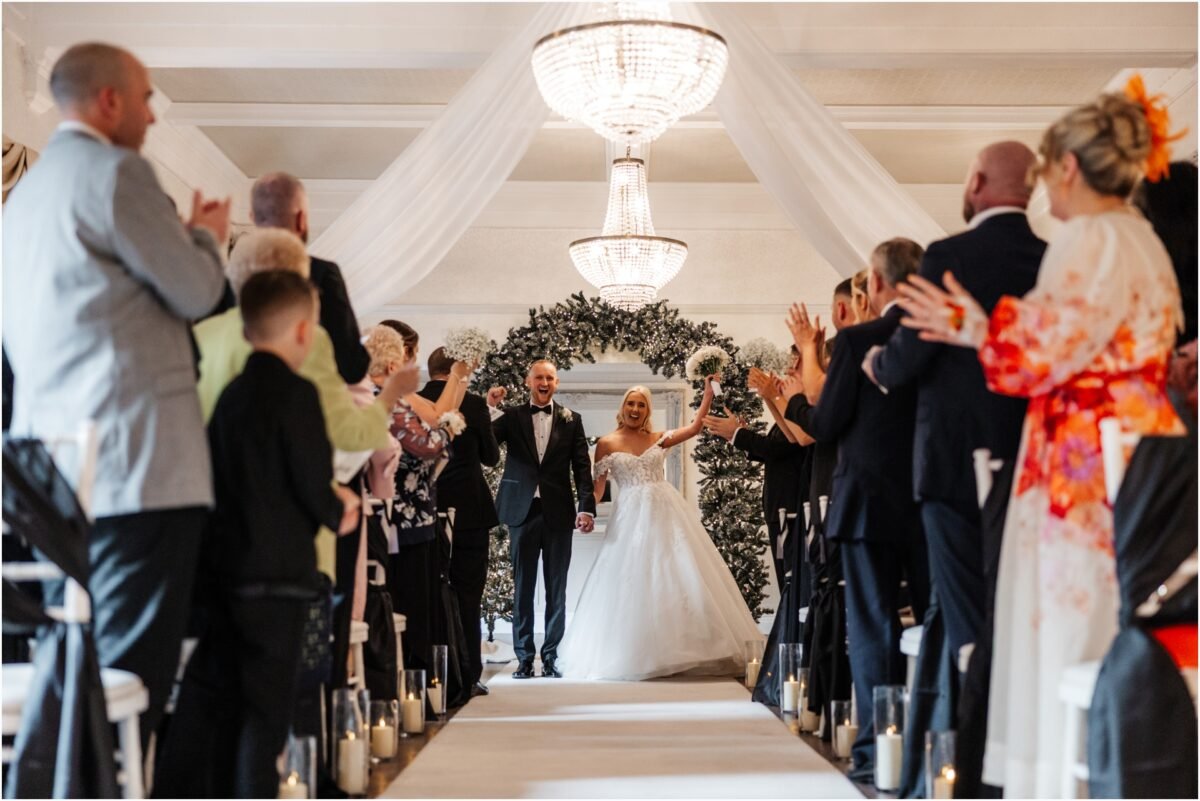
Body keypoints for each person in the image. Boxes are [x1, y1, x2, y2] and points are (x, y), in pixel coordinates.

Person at [896, 80, 1186, 797]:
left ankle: (1065, 772)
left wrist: (976, 326)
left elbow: (1042, 351)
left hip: (1081, 458)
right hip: (1135, 441)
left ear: (1072, 169)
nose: (1041, 193)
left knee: (1069, 617)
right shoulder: (1141, 239)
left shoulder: (1091, 238)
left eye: (1048, 170)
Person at [2, 42, 230, 748]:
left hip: (46, 468)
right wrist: (204, 236)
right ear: (109, 100)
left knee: (70, 659)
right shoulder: (115, 172)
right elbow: (196, 290)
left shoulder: (22, 200)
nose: (153, 115)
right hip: (138, 463)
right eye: (147, 98)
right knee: (131, 673)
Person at [155, 271, 360, 799]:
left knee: (224, 711)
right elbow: (312, 488)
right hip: (280, 582)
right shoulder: (299, 396)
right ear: (302, 332)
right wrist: (340, 507)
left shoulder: (230, 397)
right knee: (265, 720)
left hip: (228, 580)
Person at [863, 141, 1046, 667]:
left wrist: (876, 363)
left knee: (967, 618)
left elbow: (910, 352)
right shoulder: (1050, 260)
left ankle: (970, 735)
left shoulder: (949, 257)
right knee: (1017, 606)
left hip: (953, 463)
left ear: (978, 183)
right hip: (1030, 459)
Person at [783, 238, 930, 776]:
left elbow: (826, 425)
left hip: (867, 503)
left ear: (878, 283)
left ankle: (876, 752)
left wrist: (797, 395)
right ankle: (929, 745)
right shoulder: (945, 335)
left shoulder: (861, 340)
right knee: (929, 623)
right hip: (928, 499)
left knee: (873, 626)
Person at [558, 380, 763, 680]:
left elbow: (693, 428)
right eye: (631, 403)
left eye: (641, 404)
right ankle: (637, 651)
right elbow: (597, 490)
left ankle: (683, 649)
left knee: (674, 573)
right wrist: (584, 512)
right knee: (633, 579)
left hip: (665, 512)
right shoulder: (606, 443)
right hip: (629, 517)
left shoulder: (658, 438)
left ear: (647, 411)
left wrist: (707, 394)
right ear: (623, 407)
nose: (635, 409)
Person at [487, 360, 596, 679]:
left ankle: (550, 656)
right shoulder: (511, 417)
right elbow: (488, 446)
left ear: (557, 383)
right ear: (528, 381)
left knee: (556, 588)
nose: (544, 382)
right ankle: (523, 657)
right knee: (522, 587)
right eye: (539, 377)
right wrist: (491, 408)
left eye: (550, 377)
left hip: (559, 513)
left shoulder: (571, 420)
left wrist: (586, 507)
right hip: (521, 511)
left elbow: (582, 467)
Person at [419, 347, 501, 696]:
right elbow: (491, 456)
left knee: (428, 592)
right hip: (469, 507)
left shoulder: (414, 400)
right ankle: (468, 676)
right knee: (468, 593)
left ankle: (434, 675)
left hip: (427, 505)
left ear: (430, 368)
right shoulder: (475, 403)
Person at [251, 172, 370, 384]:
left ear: (253, 218)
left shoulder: (227, 278)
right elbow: (351, 366)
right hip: (304, 406)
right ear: (301, 219)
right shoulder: (322, 274)